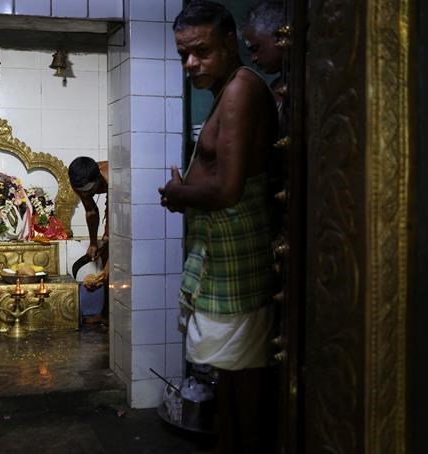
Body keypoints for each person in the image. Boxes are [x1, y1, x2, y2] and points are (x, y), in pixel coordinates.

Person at [159, 1, 278, 453]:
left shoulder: (241, 90)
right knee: (229, 379)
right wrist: (185, 191)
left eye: (201, 51)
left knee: (244, 382)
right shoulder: (227, 88)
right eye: (183, 55)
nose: (191, 64)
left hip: (239, 266)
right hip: (221, 261)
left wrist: (178, 193)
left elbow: (228, 189)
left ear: (230, 43)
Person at [68, 157, 109, 291]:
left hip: (122, 200)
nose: (87, 194)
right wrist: (93, 243)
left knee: (110, 239)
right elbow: (91, 211)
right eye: (82, 191)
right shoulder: (78, 182)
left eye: (89, 189)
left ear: (98, 178)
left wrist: (108, 235)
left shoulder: (113, 177)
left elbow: (117, 215)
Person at [240, 0, 286, 111]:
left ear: (280, 37)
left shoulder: (310, 76)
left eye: (255, 49)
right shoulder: (275, 85)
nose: (253, 59)